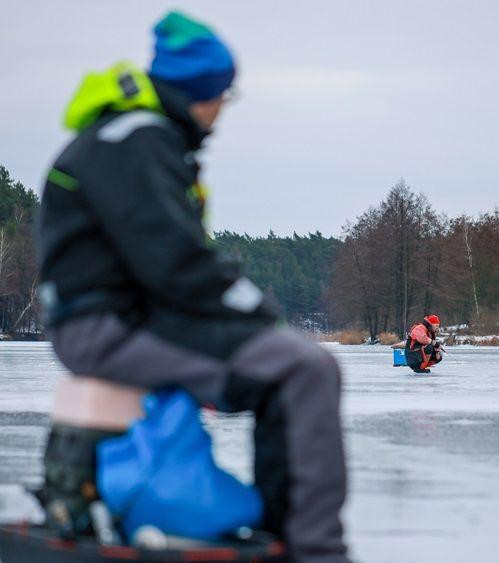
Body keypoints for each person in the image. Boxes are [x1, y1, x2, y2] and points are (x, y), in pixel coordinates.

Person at [34, 11, 350, 563]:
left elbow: (164, 263)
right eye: (221, 96)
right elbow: (176, 263)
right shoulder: (139, 142)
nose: (222, 110)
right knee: (304, 369)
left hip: (112, 318)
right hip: (109, 326)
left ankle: (274, 535)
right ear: (198, 93)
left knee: (286, 363)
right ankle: (314, 551)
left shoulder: (129, 135)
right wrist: (259, 317)